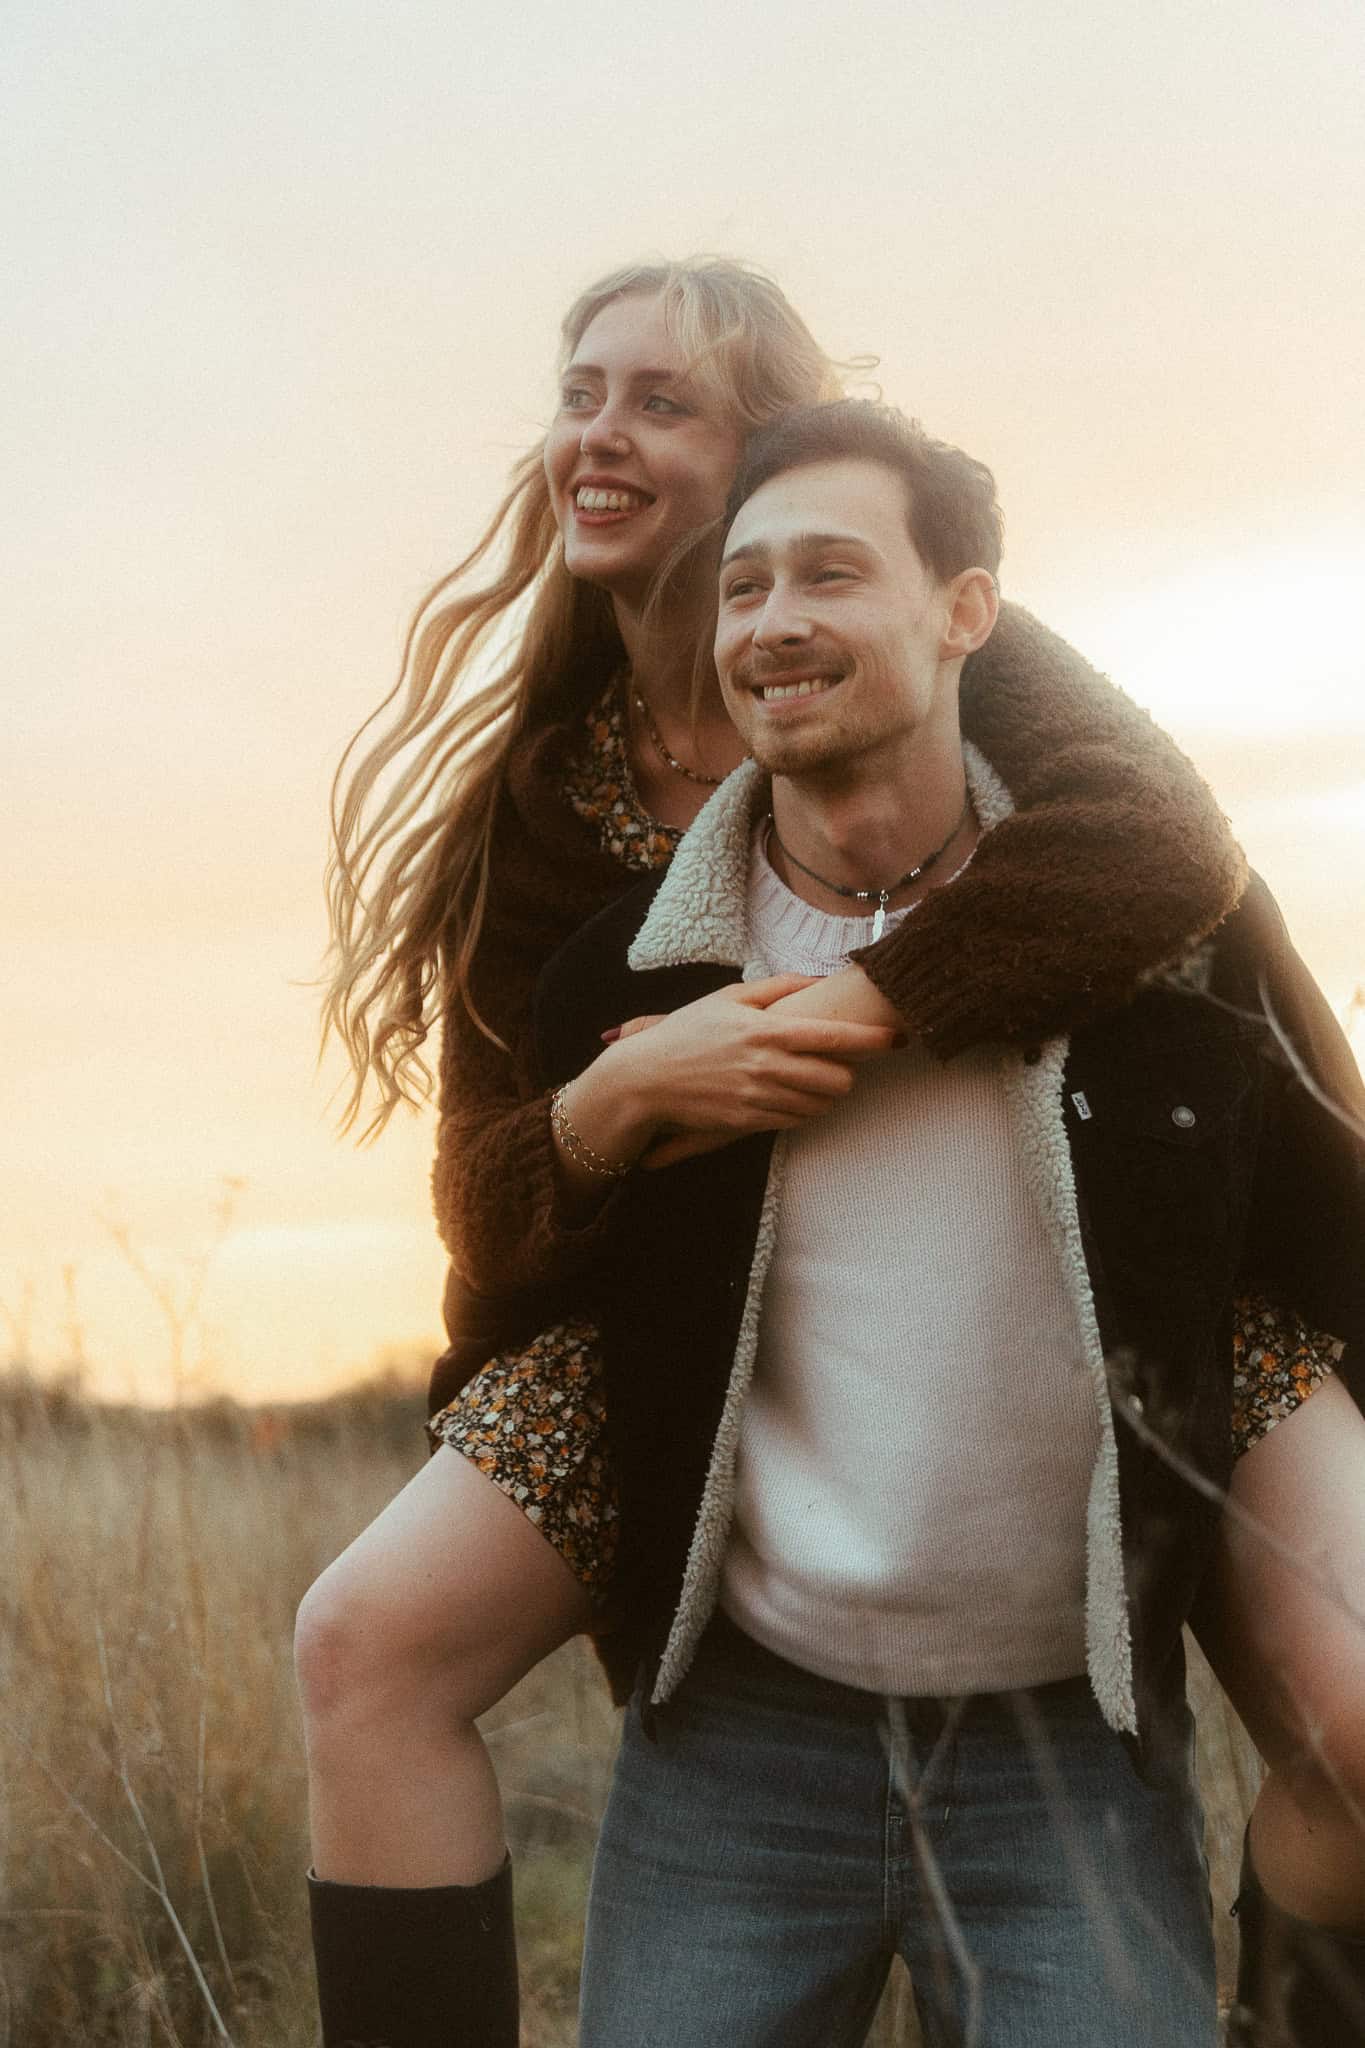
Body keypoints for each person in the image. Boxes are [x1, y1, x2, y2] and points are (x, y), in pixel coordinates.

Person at [293, 264, 1352, 2045]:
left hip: (1129, 1220)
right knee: (364, 1640)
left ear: (769, 448)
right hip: (662, 1281)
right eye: (579, 393)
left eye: (661, 402)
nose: (599, 438)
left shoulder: (974, 663)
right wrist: (616, 1102)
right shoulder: (556, 810)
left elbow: (1166, 844)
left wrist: (852, 1010)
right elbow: (491, 1177)